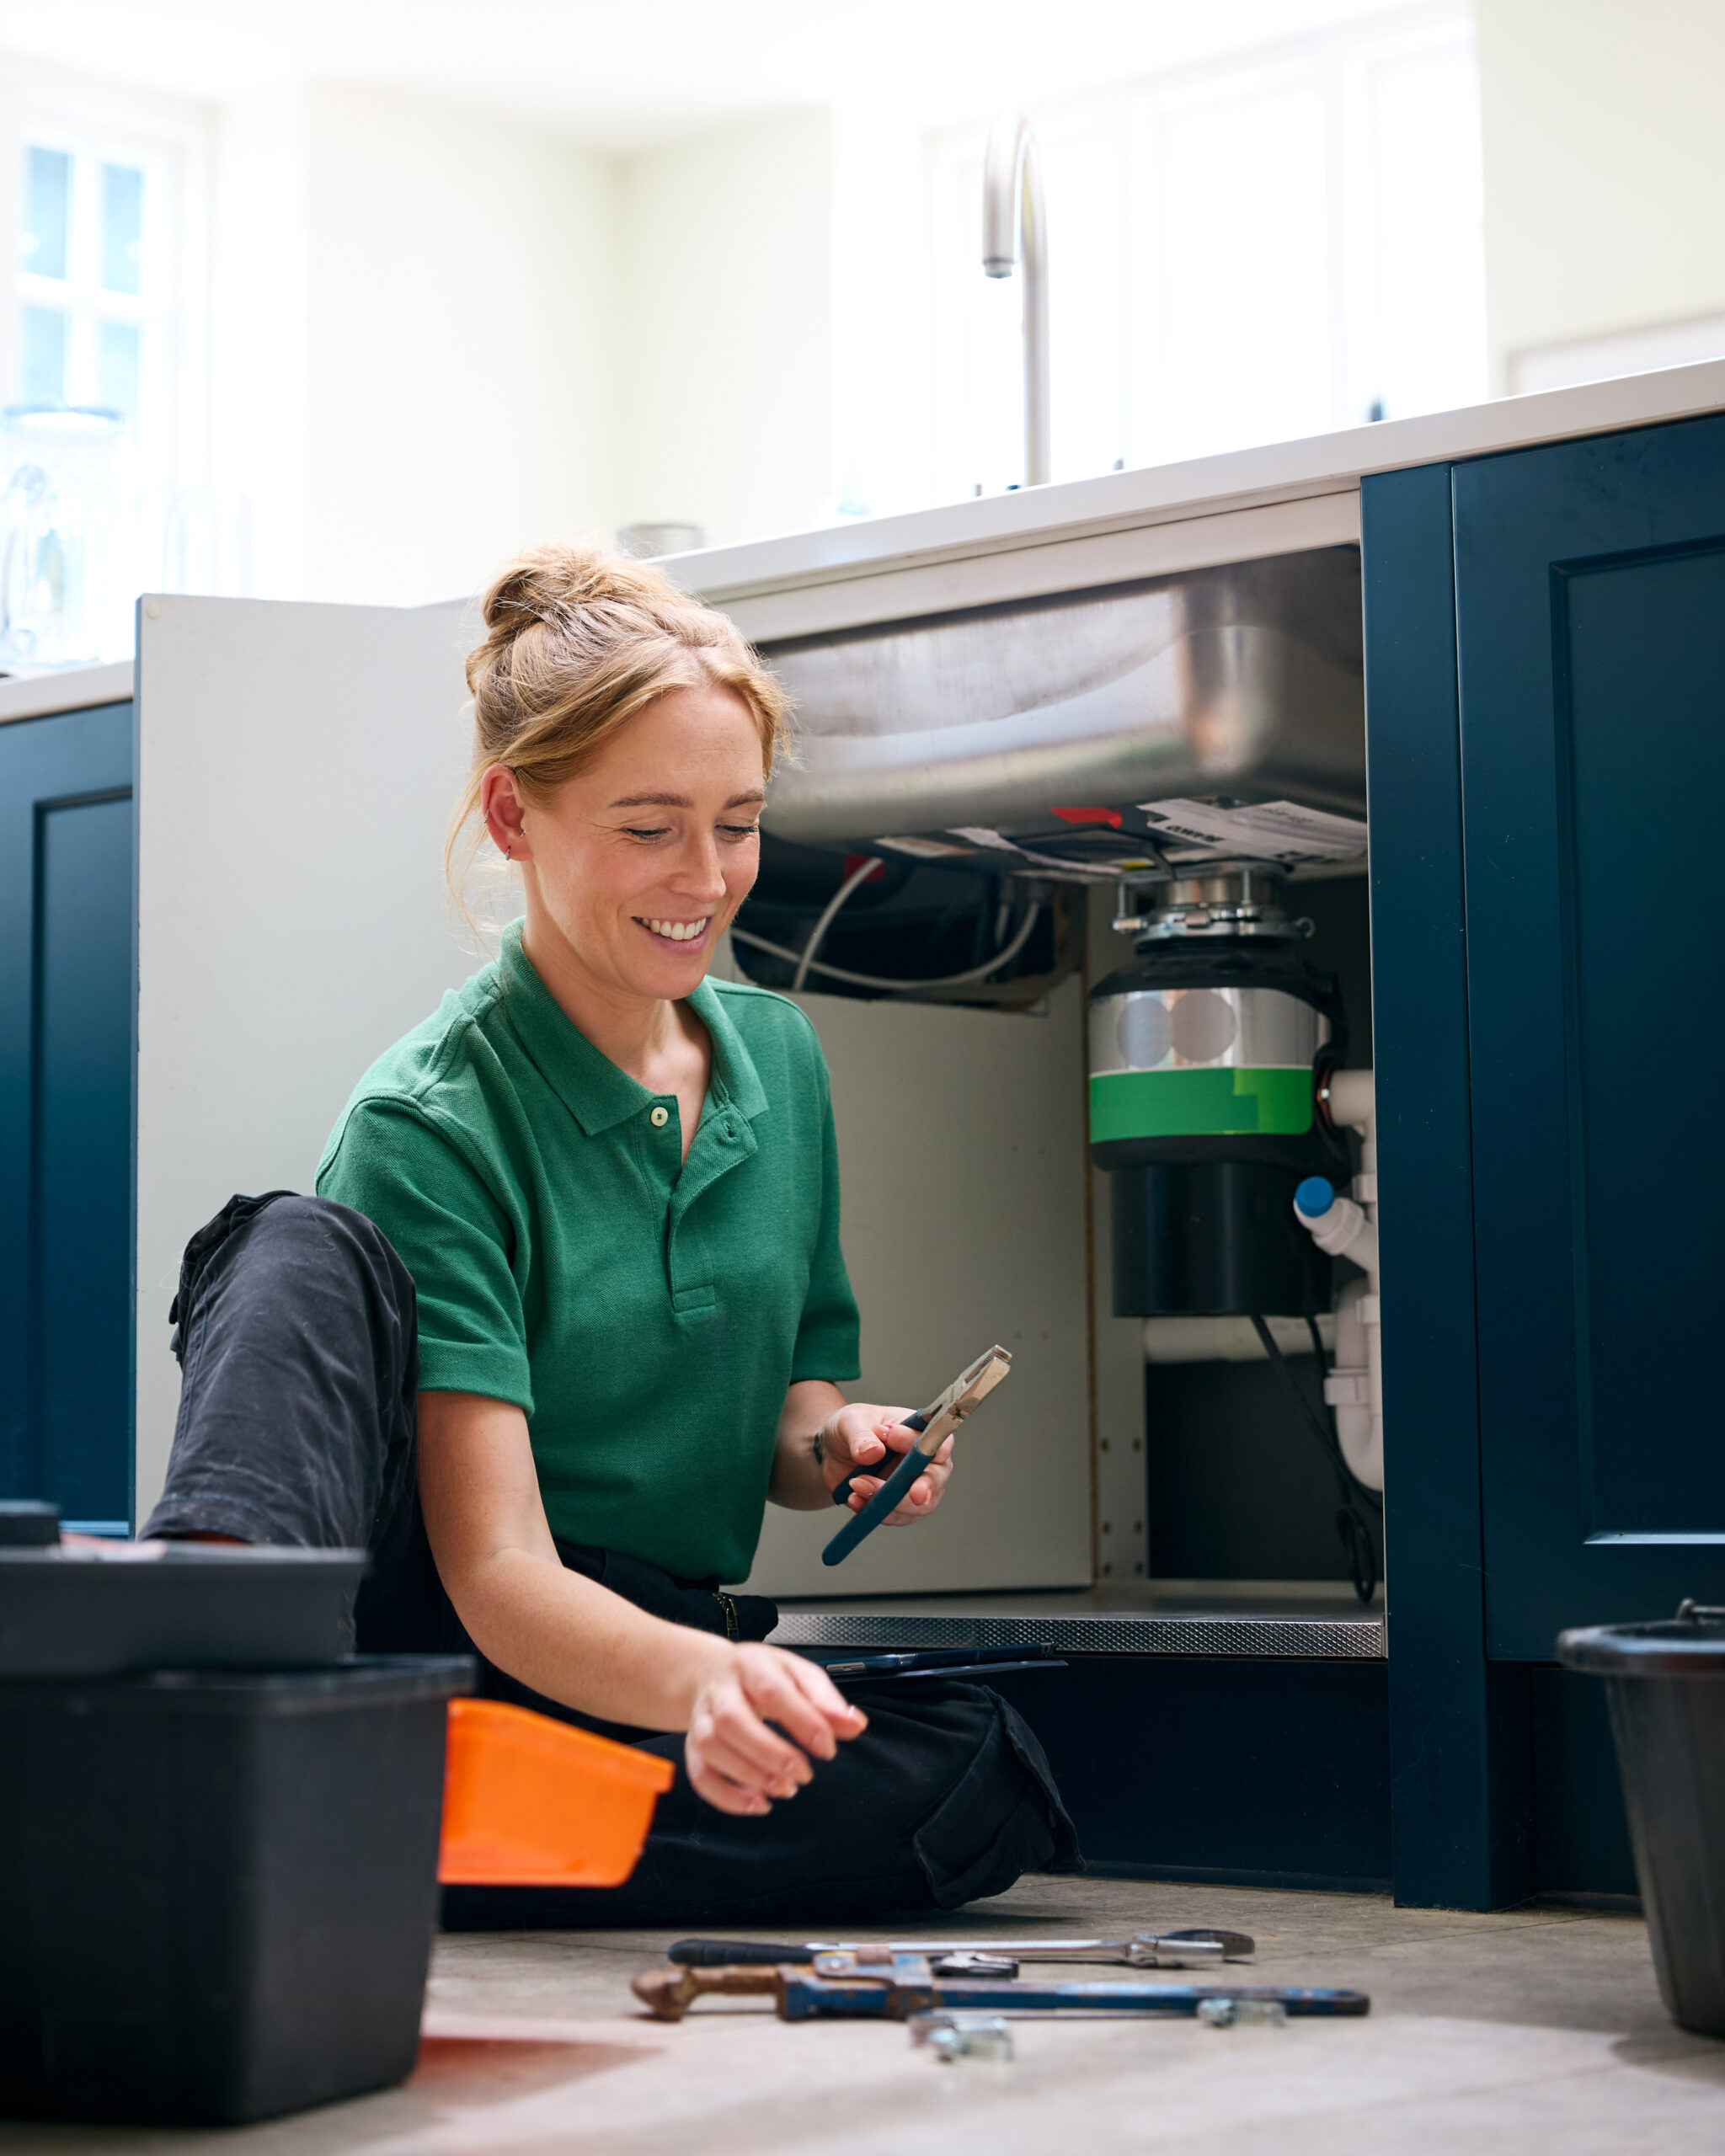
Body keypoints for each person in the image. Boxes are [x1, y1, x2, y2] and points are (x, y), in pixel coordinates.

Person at [145, 543, 1079, 1926]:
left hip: (640, 1638)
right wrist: (710, 1687)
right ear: (515, 818)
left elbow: (784, 1404)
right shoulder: (437, 1116)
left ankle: (370, 1820)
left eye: (740, 821)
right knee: (296, 1242)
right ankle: (257, 1762)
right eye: (649, 827)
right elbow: (501, 1572)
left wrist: (836, 1447)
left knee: (976, 1770)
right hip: (463, 1625)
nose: (705, 877)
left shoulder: (782, 1061)